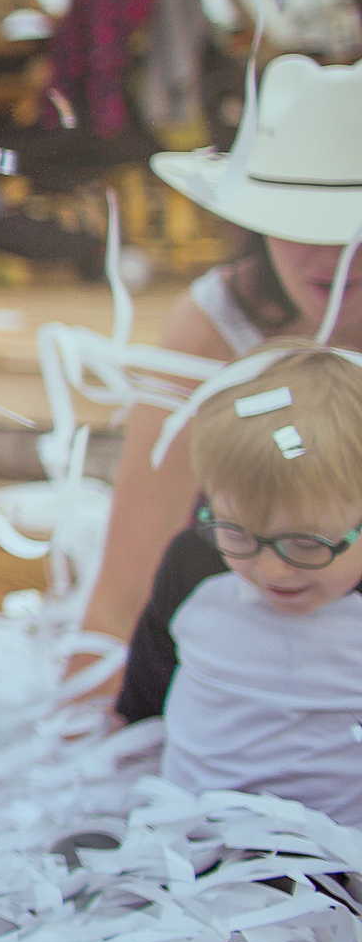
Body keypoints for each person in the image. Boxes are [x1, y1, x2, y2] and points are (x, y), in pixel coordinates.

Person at [77, 56, 362, 678]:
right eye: (300, 223)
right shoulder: (217, 324)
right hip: (244, 664)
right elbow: (128, 582)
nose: (337, 255)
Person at [114, 345, 362, 826]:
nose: (272, 570)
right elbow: (153, 666)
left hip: (335, 845)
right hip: (189, 831)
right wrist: (127, 727)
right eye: (238, 532)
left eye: (307, 544)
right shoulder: (195, 563)